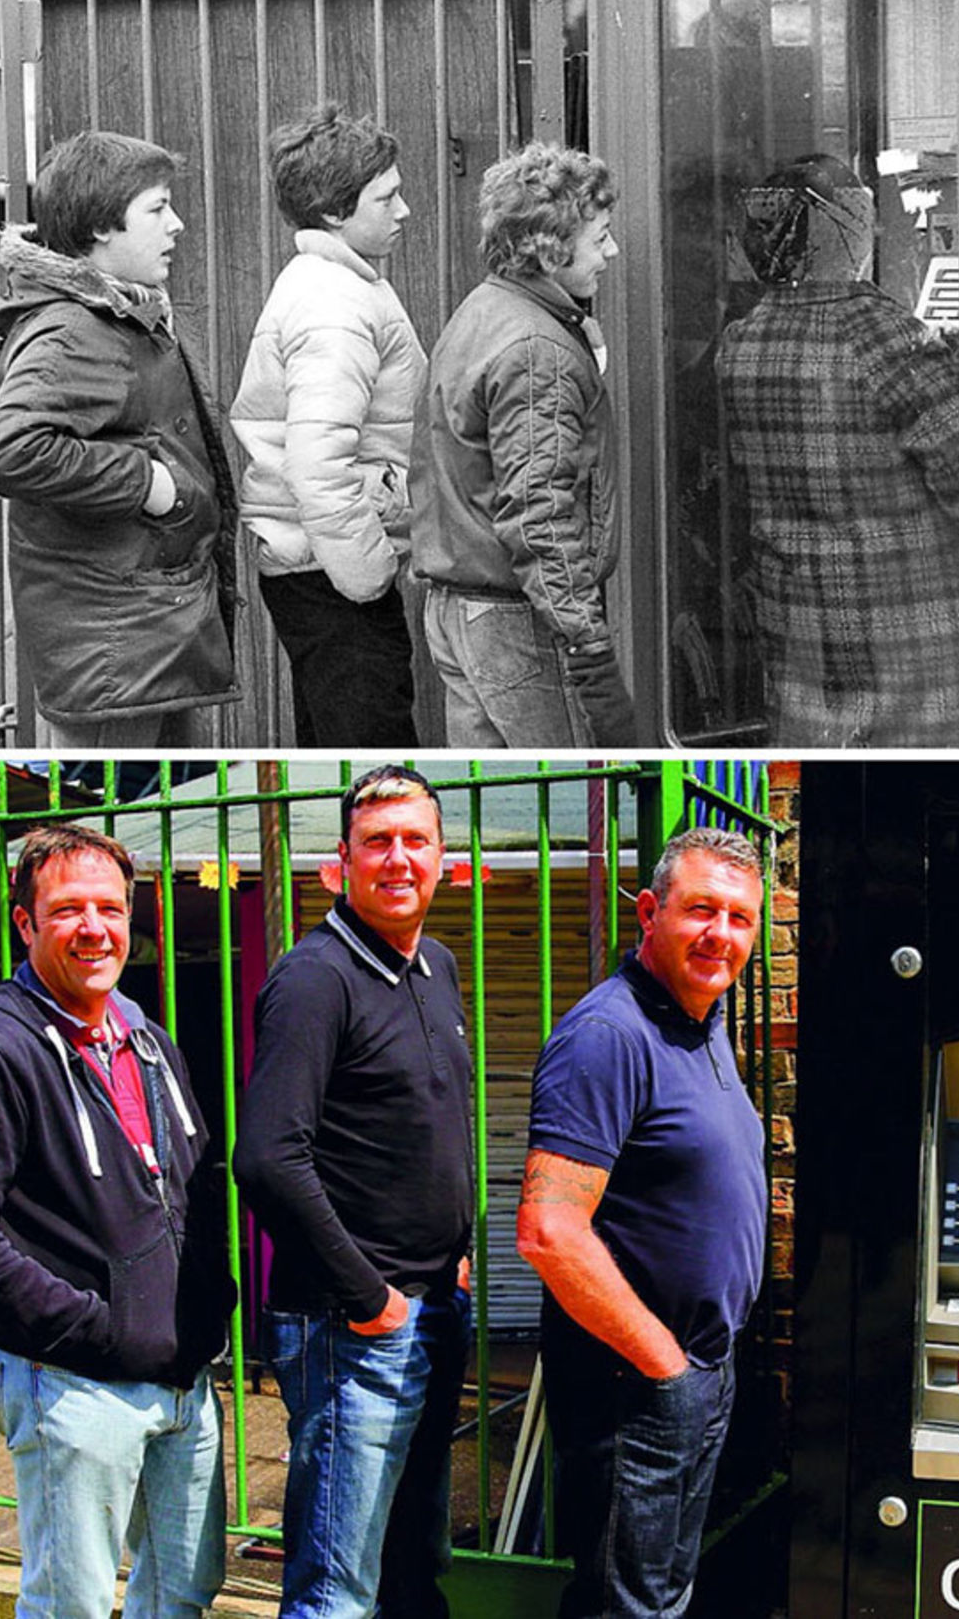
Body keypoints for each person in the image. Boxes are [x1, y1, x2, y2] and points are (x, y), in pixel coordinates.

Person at [0, 824, 234, 1619]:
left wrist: (206, 1309)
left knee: (184, 1591)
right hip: (73, 1379)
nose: (95, 928)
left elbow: (194, 1186)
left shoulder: (147, 1040)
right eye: (67, 910)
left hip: (182, 1377)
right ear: (25, 923)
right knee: (72, 1605)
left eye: (110, 908)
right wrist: (90, 1326)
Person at [233, 765, 473, 1619]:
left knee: (412, 1561)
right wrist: (369, 1294)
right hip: (355, 1330)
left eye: (417, 841)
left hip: (434, 1305)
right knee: (336, 1591)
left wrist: (457, 1254)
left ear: (447, 859)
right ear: (341, 863)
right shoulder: (315, 978)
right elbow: (266, 1157)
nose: (399, 859)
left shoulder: (433, 965)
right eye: (378, 843)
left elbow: (424, 1122)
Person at [517, 826, 767, 1619]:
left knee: (657, 1597)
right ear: (650, 912)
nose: (719, 935)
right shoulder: (608, 1035)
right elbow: (549, 1230)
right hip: (636, 1385)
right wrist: (662, 1362)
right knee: (624, 1606)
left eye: (739, 919)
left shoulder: (703, 1025)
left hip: (696, 1374)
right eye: (701, 911)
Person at [0, 130, 240, 748]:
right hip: (116, 642)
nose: (177, 225)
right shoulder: (75, 329)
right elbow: (7, 450)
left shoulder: (117, 313)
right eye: (157, 208)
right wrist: (148, 483)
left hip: (142, 631)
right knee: (98, 808)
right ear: (101, 227)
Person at [715, 152, 959, 747]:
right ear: (840, 227)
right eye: (865, 214)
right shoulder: (884, 336)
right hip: (902, 627)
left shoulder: (739, 342)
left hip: (798, 621)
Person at [410, 141, 637, 748]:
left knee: (491, 792)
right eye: (600, 237)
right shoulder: (538, 350)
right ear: (550, 246)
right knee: (583, 797)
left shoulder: (485, 309)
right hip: (518, 621)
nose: (611, 251)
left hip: (464, 609)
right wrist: (589, 645)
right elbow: (539, 513)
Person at [230, 104, 425, 746]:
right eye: (387, 196)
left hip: (318, 564)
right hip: (334, 575)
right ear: (335, 210)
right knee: (372, 754)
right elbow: (317, 463)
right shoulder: (334, 304)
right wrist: (368, 574)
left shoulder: (337, 284)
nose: (403, 212)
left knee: (339, 749)